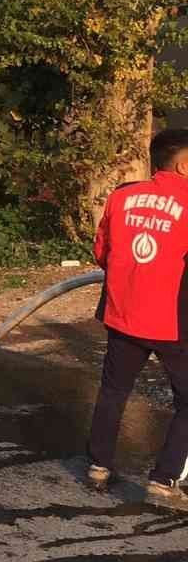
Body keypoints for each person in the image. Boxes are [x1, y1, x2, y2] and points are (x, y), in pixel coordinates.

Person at [87, 127, 188, 511]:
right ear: (182, 165)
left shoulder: (122, 195)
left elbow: (103, 252)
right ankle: (164, 481)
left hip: (123, 313)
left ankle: (98, 465)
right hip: (173, 322)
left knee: (113, 391)